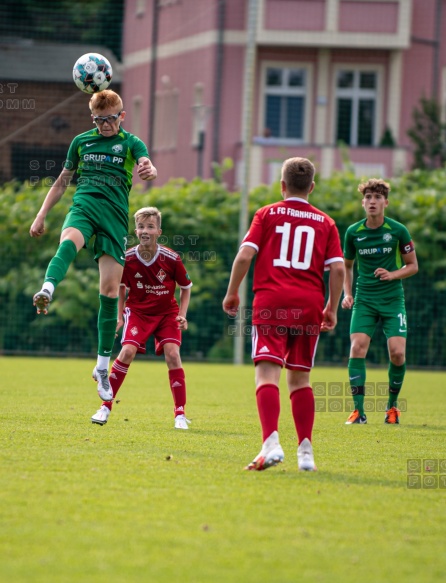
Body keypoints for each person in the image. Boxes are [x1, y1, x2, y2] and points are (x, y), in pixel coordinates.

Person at [29, 90, 157, 402]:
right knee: (69, 241)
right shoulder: (81, 141)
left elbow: (146, 164)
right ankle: (47, 288)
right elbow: (62, 180)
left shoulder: (130, 142)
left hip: (113, 217)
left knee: (110, 292)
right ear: (93, 119)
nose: (105, 125)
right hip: (85, 205)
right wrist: (41, 214)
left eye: (111, 119)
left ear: (121, 116)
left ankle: (101, 366)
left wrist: (149, 170)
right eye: (100, 120)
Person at [222, 157, 345, 471]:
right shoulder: (326, 222)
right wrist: (331, 306)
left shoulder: (266, 214)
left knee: (266, 375)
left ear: (282, 185)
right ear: (312, 187)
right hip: (308, 306)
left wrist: (233, 290)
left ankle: (271, 444)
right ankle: (306, 453)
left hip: (272, 303)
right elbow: (339, 267)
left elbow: (245, 254)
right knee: (300, 378)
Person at [91, 206, 193, 429]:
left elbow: (186, 287)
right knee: (127, 351)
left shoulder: (171, 258)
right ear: (135, 231)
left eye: (150, 226)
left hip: (167, 313)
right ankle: (105, 407)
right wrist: (118, 316)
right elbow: (120, 287)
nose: (145, 230)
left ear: (159, 231)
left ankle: (180, 414)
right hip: (137, 312)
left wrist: (183, 315)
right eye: (140, 226)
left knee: (173, 354)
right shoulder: (126, 258)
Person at [342, 179, 418, 425]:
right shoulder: (353, 232)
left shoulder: (397, 231)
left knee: (397, 353)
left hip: (393, 300)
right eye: (368, 198)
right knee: (357, 349)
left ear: (385, 202)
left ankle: (392, 407)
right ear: (363, 202)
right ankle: (358, 412)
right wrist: (347, 293)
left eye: (377, 198)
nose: (372, 202)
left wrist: (392, 274)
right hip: (364, 299)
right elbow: (347, 266)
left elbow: (412, 266)